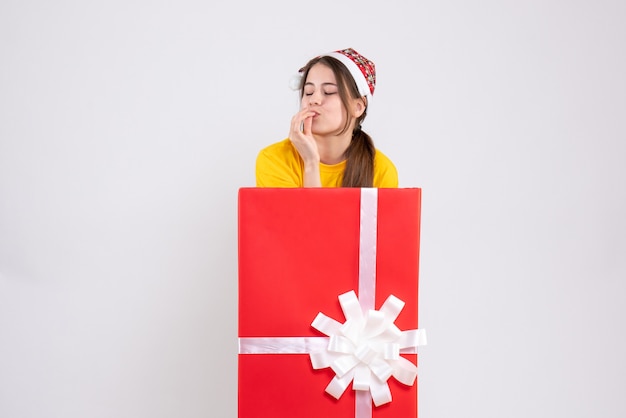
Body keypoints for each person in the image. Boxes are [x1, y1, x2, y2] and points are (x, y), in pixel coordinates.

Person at [255, 48, 398, 188]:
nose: (314, 100)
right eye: (309, 92)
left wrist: (311, 164)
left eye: (328, 92)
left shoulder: (381, 170)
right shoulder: (274, 159)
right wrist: (311, 163)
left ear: (358, 107)